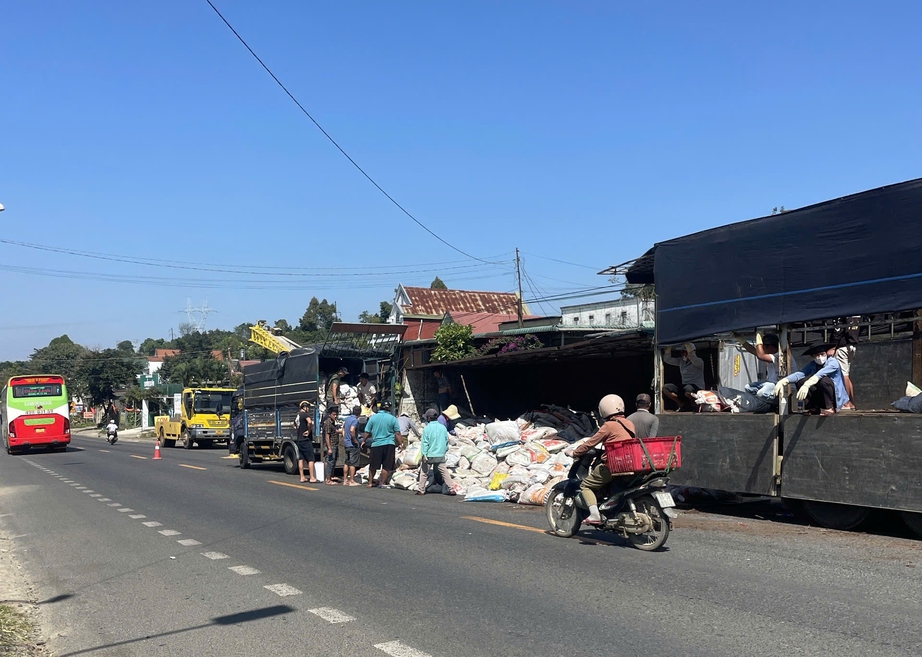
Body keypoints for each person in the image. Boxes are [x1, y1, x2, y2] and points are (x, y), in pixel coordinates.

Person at [567, 395, 635, 525]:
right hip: (629, 463)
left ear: (604, 409)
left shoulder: (608, 425)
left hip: (613, 465)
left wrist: (575, 452)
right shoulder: (630, 424)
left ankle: (594, 515)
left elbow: (591, 442)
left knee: (585, 485)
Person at [773, 343, 849, 416]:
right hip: (821, 395)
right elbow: (800, 374)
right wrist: (784, 381)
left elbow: (820, 374)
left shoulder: (833, 362)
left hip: (834, 397)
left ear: (826, 353)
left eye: (822, 354)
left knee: (824, 380)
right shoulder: (813, 364)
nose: (820, 357)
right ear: (813, 356)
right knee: (800, 381)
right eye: (816, 355)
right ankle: (814, 407)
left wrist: (807, 385)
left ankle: (830, 408)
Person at [363, 400, 405, 488]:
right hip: (389, 444)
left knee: (373, 465)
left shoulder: (373, 418)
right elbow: (397, 433)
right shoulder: (393, 418)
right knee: (386, 465)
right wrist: (401, 443)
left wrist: (364, 440)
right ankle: (382, 483)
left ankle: (370, 483)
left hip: (376, 444)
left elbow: (367, 431)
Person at [416, 408, 457, 495]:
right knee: (444, 472)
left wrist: (424, 454)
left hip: (429, 455)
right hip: (440, 455)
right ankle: (451, 489)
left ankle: (421, 490)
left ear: (428, 418)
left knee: (424, 472)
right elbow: (446, 441)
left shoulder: (427, 428)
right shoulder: (443, 428)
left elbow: (425, 443)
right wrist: (444, 450)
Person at [735, 332, 781, 399]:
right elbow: (753, 350)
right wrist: (741, 340)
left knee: (761, 393)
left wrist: (759, 339)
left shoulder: (779, 356)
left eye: (763, 347)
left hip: (778, 386)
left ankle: (767, 403)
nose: (763, 350)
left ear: (770, 347)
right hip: (771, 385)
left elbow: (760, 356)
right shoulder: (770, 355)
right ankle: (762, 401)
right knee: (748, 387)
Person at [662, 342, 705, 410]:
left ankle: (694, 403)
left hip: (696, 387)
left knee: (688, 388)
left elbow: (693, 357)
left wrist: (688, 347)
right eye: (681, 352)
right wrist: (668, 348)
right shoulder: (681, 361)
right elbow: (668, 360)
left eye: (684, 352)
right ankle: (681, 404)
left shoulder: (699, 362)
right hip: (685, 386)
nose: (682, 354)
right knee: (666, 388)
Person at [833, 321, 859, 410]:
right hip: (852, 344)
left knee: (843, 375)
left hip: (842, 346)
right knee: (846, 374)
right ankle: (851, 403)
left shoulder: (842, 314)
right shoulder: (857, 315)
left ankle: (846, 403)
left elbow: (838, 329)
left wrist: (834, 346)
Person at [292, 401, 317, 483]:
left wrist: (299, 430)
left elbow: (294, 425)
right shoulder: (305, 414)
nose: (309, 409)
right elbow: (309, 422)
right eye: (308, 407)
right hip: (305, 440)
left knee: (301, 459)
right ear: (305, 407)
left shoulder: (298, 415)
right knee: (311, 459)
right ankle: (312, 477)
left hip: (299, 439)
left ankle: (302, 477)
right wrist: (308, 431)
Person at [342, 405, 361, 486]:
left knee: (347, 462)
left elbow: (343, 429)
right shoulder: (355, 420)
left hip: (347, 443)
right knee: (353, 463)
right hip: (352, 444)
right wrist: (355, 439)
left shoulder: (347, 419)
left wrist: (345, 437)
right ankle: (352, 480)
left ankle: (345, 480)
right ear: (359, 413)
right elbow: (352, 429)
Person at [322, 406, 341, 485]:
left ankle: (331, 476)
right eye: (334, 414)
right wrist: (329, 448)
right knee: (330, 462)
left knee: (333, 462)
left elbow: (334, 431)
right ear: (330, 415)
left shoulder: (333, 422)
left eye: (336, 414)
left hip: (334, 444)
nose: (335, 416)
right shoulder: (328, 423)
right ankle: (328, 479)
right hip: (331, 445)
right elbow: (327, 436)